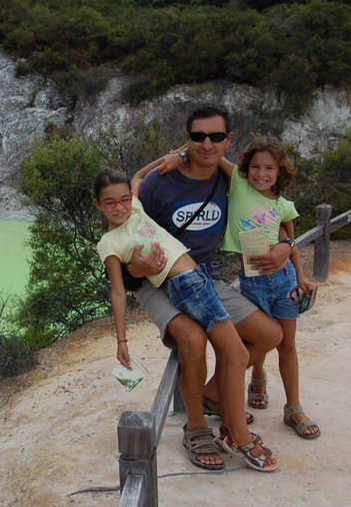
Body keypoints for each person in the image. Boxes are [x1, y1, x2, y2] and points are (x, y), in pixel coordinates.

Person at [126, 104, 286, 470]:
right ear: (188, 138)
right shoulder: (159, 183)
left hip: (204, 276)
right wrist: (138, 267)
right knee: (194, 339)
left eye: (216, 136)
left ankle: (214, 396)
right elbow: (126, 236)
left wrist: (285, 247)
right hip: (158, 281)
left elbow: (268, 209)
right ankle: (196, 426)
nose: (207, 143)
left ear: (229, 140)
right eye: (198, 136)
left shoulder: (230, 181)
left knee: (268, 335)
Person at [94, 168, 278, 471]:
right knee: (236, 353)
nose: (120, 207)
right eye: (110, 203)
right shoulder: (110, 242)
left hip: (199, 278)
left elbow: (138, 179)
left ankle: (223, 413)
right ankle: (236, 436)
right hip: (187, 286)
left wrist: (173, 156)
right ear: (98, 205)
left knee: (237, 352)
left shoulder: (136, 208)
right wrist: (122, 340)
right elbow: (118, 291)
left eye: (124, 199)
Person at [218, 136, 321, 439]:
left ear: (280, 172)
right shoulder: (237, 183)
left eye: (269, 168)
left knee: (287, 344)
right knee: (261, 338)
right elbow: (214, 153)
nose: (261, 174)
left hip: (284, 281)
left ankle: (293, 407)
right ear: (246, 167)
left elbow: (291, 246)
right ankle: (258, 376)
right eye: (255, 167)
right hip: (252, 282)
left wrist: (301, 278)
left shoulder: (283, 205)